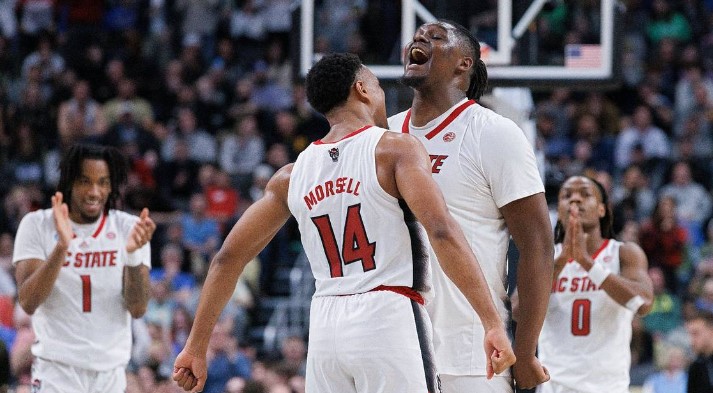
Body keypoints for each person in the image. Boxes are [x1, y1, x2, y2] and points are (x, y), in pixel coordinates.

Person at [173, 53, 516, 393]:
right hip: (388, 314)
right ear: (362, 89)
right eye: (378, 86)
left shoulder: (290, 177)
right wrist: (490, 321)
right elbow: (441, 231)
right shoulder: (395, 150)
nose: (381, 96)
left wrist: (195, 346)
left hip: (325, 327)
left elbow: (227, 258)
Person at [388, 19, 553, 391]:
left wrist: (525, 352)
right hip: (391, 347)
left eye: (435, 37)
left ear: (464, 63)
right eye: (416, 36)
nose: (419, 39)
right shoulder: (383, 135)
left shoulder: (494, 132)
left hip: (470, 353)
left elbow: (538, 246)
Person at [12, 144, 156, 392]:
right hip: (57, 370)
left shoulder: (129, 228)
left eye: (103, 182)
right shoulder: (37, 224)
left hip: (111, 372)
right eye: (84, 181)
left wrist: (132, 255)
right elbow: (28, 301)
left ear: (112, 186)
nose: (94, 191)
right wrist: (62, 248)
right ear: (69, 182)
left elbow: (138, 307)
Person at [537, 176, 654, 393]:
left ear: (602, 210)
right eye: (567, 195)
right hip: (554, 386)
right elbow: (517, 310)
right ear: (558, 210)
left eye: (585, 194)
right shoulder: (547, 258)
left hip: (607, 386)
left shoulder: (623, 253)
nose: (575, 200)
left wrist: (587, 263)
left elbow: (644, 304)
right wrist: (562, 262)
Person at [686, 309, 713, 393]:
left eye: (695, 333)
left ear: (711, 331)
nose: (691, 340)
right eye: (690, 334)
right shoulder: (695, 368)